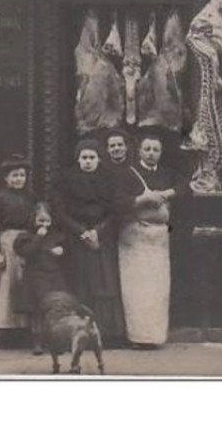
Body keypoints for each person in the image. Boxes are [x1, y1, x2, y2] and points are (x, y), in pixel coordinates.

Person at [54, 138, 126, 345]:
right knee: (80, 283)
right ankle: (78, 334)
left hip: (102, 240)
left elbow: (115, 211)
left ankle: (107, 334)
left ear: (99, 159)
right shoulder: (66, 180)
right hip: (76, 240)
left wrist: (97, 232)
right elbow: (60, 212)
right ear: (78, 160)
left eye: (92, 158)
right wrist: (82, 232)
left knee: (104, 284)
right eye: (84, 158)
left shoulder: (110, 180)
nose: (88, 162)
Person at [115, 134, 177, 348]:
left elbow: (188, 186)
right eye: (147, 149)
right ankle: (137, 337)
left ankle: (156, 336)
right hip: (135, 238)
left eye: (155, 150)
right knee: (136, 289)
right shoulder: (128, 175)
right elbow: (117, 201)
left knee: (157, 289)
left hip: (158, 240)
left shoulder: (167, 174)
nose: (151, 154)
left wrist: (170, 192)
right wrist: (142, 199)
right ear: (139, 151)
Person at [0, 154, 35, 346]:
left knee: (22, 285)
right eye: (14, 175)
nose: (18, 179)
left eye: (22, 175)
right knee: (5, 286)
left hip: (26, 244)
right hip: (6, 245)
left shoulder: (31, 198)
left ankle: (22, 329)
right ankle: (3, 331)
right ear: (6, 178)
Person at [13, 202, 68, 354]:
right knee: (37, 310)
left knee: (56, 308)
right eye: (40, 221)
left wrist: (61, 251)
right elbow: (26, 252)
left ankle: (55, 341)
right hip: (35, 277)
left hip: (54, 275)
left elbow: (68, 255)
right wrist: (38, 237)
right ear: (33, 220)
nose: (44, 224)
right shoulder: (25, 237)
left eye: (47, 221)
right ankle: (37, 341)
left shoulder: (56, 236)